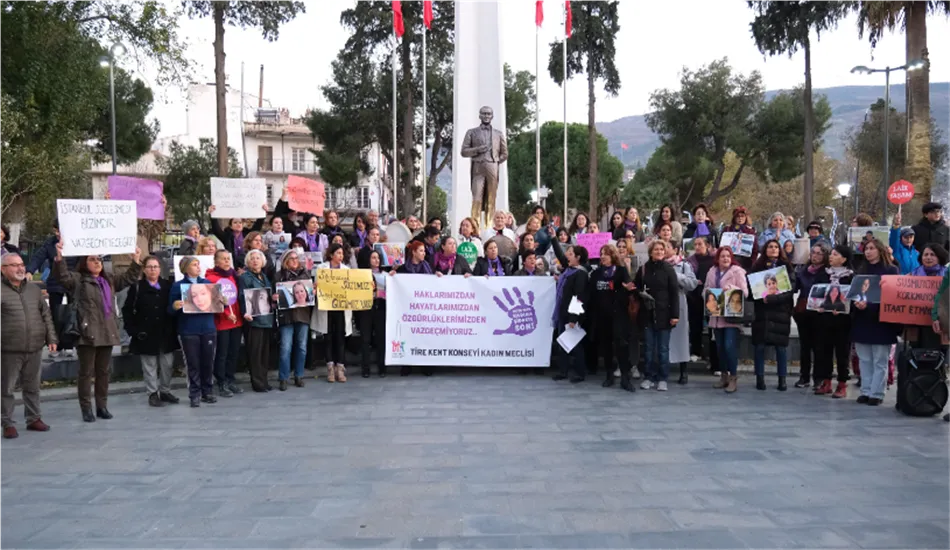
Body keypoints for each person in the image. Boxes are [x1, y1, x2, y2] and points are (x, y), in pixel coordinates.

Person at [53, 243, 142, 421]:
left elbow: (128, 279)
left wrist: (136, 261)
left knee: (103, 372)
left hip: (107, 331)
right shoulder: (78, 279)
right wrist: (60, 258)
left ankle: (102, 406)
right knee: (86, 373)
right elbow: (62, 277)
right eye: (92, 259)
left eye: (99, 259)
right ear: (84, 263)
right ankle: (86, 408)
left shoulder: (108, 279)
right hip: (87, 332)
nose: (97, 262)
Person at [0, 252, 56, 438]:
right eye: (14, 265)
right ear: (3, 269)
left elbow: (46, 315)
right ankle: (7, 422)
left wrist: (52, 338)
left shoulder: (33, 290)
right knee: (6, 388)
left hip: (34, 346)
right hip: (8, 348)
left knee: (32, 386)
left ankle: (33, 418)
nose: (20, 268)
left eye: (21, 264)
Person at [122, 256, 181, 408]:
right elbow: (127, 311)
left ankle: (165, 391)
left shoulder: (168, 285)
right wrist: (133, 331)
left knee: (167, 364)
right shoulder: (137, 287)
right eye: (149, 267)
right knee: (149, 365)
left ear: (160, 269)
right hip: (145, 333)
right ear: (144, 269)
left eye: (155, 267)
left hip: (166, 331)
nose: (153, 269)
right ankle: (152, 393)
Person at [852, 239, 899, 405]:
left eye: (872, 248)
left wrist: (871, 306)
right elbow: (855, 292)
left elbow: (892, 296)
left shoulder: (891, 270)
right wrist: (857, 303)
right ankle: (865, 390)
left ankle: (877, 393)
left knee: (880, 359)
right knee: (864, 358)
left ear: (880, 250)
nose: (868, 251)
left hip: (881, 321)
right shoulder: (861, 270)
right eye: (866, 249)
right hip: (863, 320)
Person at [169, 256, 217, 408]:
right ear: (185, 268)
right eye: (194, 265)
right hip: (189, 329)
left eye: (198, 264)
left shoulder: (208, 284)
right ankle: (194, 394)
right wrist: (175, 306)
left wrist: (221, 301)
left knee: (208, 361)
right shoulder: (178, 286)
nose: (198, 267)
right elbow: (170, 310)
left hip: (208, 327)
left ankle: (207, 391)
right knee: (192, 363)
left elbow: (216, 305)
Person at [588, 245, 636, 391]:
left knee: (621, 346)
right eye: (601, 254)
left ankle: (625, 378)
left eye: (606, 254)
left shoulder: (620, 271)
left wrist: (627, 290)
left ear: (613, 256)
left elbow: (629, 289)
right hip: (602, 316)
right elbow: (592, 293)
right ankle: (609, 375)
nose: (603, 257)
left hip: (619, 315)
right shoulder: (596, 273)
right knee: (606, 347)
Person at [749, 240, 794, 392]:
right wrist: (760, 296)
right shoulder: (757, 267)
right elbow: (751, 289)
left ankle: (782, 379)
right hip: (762, 312)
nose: (773, 249)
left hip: (781, 311)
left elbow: (790, 289)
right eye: (770, 246)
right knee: (759, 346)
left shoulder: (787, 267)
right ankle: (759, 378)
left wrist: (775, 298)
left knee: (781, 348)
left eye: (776, 247)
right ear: (765, 249)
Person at [634, 240, 680, 391]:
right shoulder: (643, 269)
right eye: (656, 250)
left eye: (662, 249)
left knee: (662, 348)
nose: (659, 252)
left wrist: (675, 315)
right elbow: (636, 288)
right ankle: (648, 376)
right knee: (648, 348)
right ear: (651, 252)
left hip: (664, 314)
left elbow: (674, 294)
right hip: (647, 313)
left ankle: (663, 377)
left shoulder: (668, 269)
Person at [705, 247, 748, 393]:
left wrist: (731, 288)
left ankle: (733, 377)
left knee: (730, 347)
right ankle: (723, 376)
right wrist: (708, 294)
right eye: (722, 256)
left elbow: (745, 292)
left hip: (731, 317)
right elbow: (705, 290)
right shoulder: (711, 271)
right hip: (716, 316)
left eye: (728, 256)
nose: (725, 259)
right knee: (720, 348)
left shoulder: (737, 271)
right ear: (717, 257)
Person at [814, 245, 854, 398]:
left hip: (843, 320)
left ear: (844, 258)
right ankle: (826, 381)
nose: (831, 256)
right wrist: (817, 305)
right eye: (831, 254)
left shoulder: (850, 276)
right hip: (824, 318)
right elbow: (816, 292)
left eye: (835, 254)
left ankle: (842, 383)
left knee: (842, 352)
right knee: (824, 351)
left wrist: (843, 307)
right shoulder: (823, 274)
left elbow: (852, 297)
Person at [204, 250, 244, 398]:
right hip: (222, 322)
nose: (227, 261)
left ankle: (230, 379)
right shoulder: (211, 278)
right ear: (216, 262)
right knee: (222, 353)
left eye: (229, 258)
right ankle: (221, 382)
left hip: (236, 320)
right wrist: (227, 314)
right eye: (224, 259)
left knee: (234, 353)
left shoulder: (234, 276)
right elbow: (214, 301)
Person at [549, 241, 590, 383]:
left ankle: (580, 372)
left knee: (574, 344)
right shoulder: (568, 270)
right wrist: (553, 238)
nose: (567, 256)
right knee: (562, 343)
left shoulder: (580, 274)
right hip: (562, 312)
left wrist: (573, 318)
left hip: (571, 314)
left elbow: (578, 297)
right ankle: (563, 371)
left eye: (571, 254)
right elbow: (560, 255)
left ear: (578, 257)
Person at [313, 243, 352, 383]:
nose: (340, 256)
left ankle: (340, 368)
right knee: (328, 337)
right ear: (331, 255)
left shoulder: (346, 270)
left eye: (342, 254)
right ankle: (330, 368)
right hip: (327, 307)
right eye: (338, 253)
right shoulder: (321, 268)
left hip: (341, 308)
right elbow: (317, 286)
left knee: (340, 338)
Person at [792, 243, 830, 389]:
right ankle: (804, 376)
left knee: (819, 346)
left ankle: (818, 377)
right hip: (803, 312)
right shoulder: (803, 271)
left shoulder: (827, 272)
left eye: (819, 253)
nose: (815, 256)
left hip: (820, 313)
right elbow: (795, 288)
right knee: (805, 346)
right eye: (813, 253)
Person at [275, 250, 311, 390]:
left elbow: (309, 295)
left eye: (296, 258)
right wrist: (274, 298)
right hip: (287, 317)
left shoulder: (305, 274)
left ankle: (299, 375)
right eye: (291, 259)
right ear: (285, 261)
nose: (295, 261)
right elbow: (274, 294)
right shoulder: (279, 276)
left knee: (301, 347)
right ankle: (283, 377)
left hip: (302, 315)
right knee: (285, 347)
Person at [239, 249, 274, 392]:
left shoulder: (264, 277)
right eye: (252, 258)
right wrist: (244, 312)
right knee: (255, 352)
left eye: (258, 258)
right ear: (248, 262)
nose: (255, 260)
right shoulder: (245, 277)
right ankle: (257, 383)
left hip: (266, 318)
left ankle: (264, 380)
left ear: (262, 261)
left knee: (265, 353)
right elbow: (242, 297)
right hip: (254, 320)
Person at [664, 240, 698, 385]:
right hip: (662, 303)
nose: (664, 250)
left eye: (667, 247)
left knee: (681, 337)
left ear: (676, 249)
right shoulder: (658, 264)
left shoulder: (684, 265)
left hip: (679, 301)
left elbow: (692, 284)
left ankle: (684, 370)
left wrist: (676, 276)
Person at [208, 203, 267, 268]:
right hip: (231, 266)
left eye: (240, 222)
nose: (238, 224)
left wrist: (263, 213)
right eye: (235, 222)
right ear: (230, 226)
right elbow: (216, 230)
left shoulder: (248, 234)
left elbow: (257, 227)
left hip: (247, 266)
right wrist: (212, 214)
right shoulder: (227, 236)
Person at [359, 249, 388, 378]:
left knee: (380, 338)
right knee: (366, 339)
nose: (376, 261)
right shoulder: (361, 275)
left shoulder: (386, 275)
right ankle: (365, 368)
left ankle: (381, 367)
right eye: (373, 258)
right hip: (365, 308)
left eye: (378, 258)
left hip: (380, 307)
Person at [723, 206, 757, 270]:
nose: (740, 218)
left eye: (742, 216)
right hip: (729, 261)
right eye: (738, 216)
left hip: (745, 263)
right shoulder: (727, 229)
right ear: (734, 218)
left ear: (746, 217)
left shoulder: (751, 231)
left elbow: (755, 250)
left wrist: (752, 263)